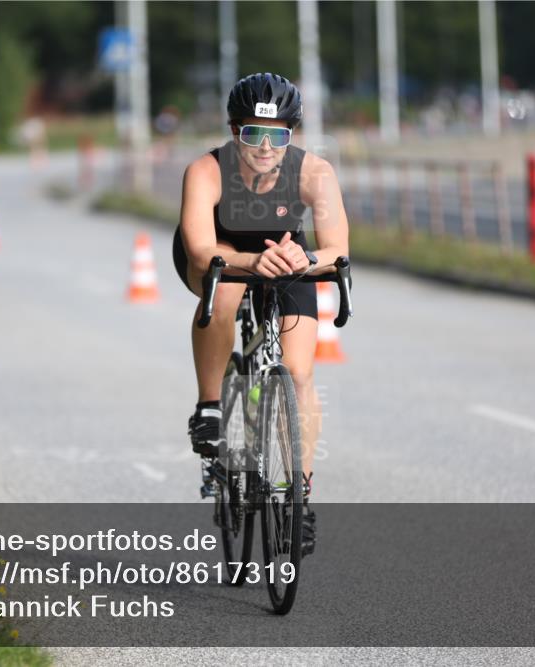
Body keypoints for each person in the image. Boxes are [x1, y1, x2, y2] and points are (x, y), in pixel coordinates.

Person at [172, 73, 349, 554]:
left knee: (298, 371)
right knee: (226, 295)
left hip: (286, 254)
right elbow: (200, 246)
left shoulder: (315, 173)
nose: (265, 146)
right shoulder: (205, 171)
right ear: (234, 131)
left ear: (292, 135)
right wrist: (250, 262)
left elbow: (337, 250)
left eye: (278, 136)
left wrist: (306, 260)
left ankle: (300, 498)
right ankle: (210, 405)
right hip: (221, 252)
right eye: (254, 134)